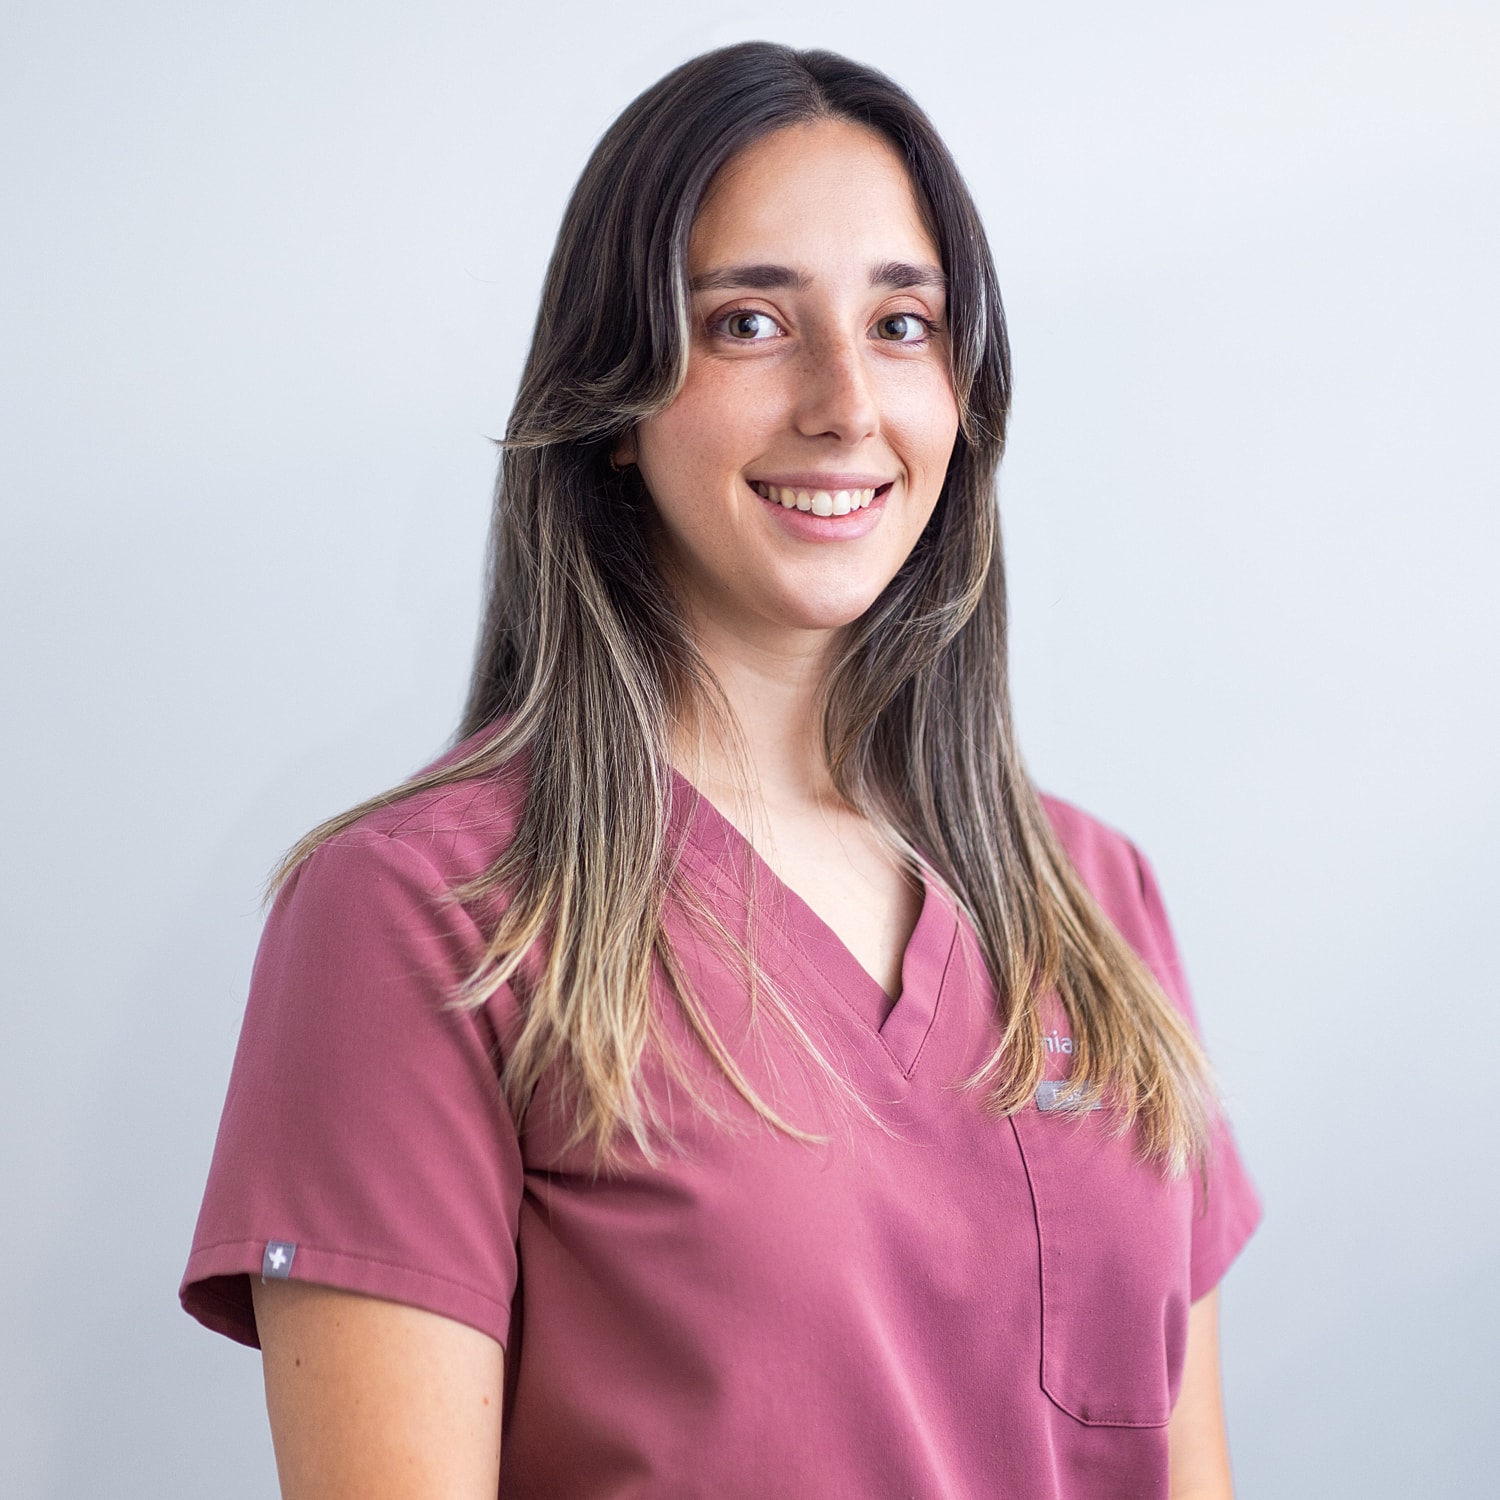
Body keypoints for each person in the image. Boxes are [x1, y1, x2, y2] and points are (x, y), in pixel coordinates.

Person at [182, 41, 1259, 1499]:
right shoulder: (418, 918)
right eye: (750, 322)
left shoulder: (1093, 900)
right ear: (615, 401)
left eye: (902, 323)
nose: (844, 403)